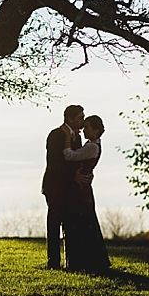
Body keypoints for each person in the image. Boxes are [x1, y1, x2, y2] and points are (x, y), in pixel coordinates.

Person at [62, 114, 111, 272]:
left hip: (80, 190)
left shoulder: (92, 147)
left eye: (87, 127)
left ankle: (82, 262)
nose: (83, 130)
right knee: (84, 223)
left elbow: (70, 155)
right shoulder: (92, 145)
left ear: (95, 130)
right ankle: (86, 261)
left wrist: (67, 139)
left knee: (80, 223)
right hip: (83, 188)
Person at [41, 104, 86, 269]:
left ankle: (71, 262)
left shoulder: (78, 137)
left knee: (70, 224)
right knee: (54, 224)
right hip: (55, 186)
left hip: (70, 188)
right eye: (80, 117)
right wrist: (73, 174)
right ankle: (53, 262)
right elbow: (54, 163)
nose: (82, 120)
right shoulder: (55, 135)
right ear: (69, 118)